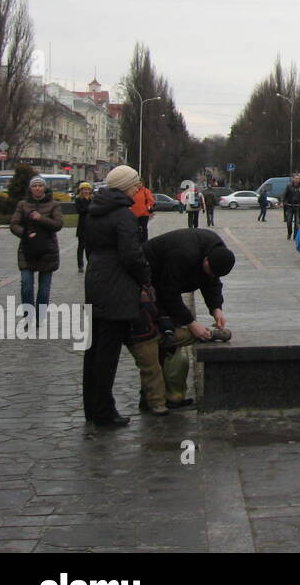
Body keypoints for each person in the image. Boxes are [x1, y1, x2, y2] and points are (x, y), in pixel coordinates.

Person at [82, 166, 152, 428]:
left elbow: (90, 247)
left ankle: (92, 407)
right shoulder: (123, 215)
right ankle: (104, 411)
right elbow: (131, 255)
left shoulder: (94, 212)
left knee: (94, 349)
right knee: (108, 351)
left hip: (96, 280)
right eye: (135, 185)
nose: (137, 189)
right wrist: (145, 277)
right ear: (124, 187)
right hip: (117, 286)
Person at [138, 228, 236, 410]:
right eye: (210, 270)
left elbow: (211, 281)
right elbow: (168, 292)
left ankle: (171, 393)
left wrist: (216, 309)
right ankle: (150, 398)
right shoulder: (183, 254)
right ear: (206, 259)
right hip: (149, 282)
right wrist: (191, 323)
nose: (211, 275)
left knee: (170, 342)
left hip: (166, 283)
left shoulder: (216, 251)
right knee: (160, 337)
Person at [10, 175, 64, 314]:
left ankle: (40, 315)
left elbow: (58, 224)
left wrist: (41, 219)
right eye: (34, 186)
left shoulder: (54, 205)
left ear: (44, 188)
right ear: (30, 188)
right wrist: (26, 233)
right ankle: (28, 314)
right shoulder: (23, 204)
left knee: (44, 287)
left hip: (48, 250)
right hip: (27, 249)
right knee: (26, 284)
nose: (38, 188)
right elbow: (14, 224)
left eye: (40, 185)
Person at [74, 181, 93, 272]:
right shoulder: (78, 199)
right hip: (82, 225)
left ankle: (90, 263)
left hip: (91, 225)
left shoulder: (92, 199)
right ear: (81, 190)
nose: (86, 191)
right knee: (81, 246)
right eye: (84, 189)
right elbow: (80, 210)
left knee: (90, 246)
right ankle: (80, 265)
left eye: (88, 189)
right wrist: (89, 209)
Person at [282, 174, 300, 239]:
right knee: (289, 221)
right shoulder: (289, 186)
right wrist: (284, 202)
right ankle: (289, 233)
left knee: (297, 222)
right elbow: (285, 195)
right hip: (290, 206)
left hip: (298, 206)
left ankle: (295, 235)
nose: (297, 180)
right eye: (296, 178)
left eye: (298, 178)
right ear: (293, 179)